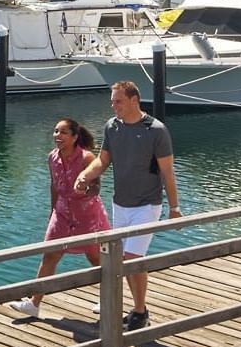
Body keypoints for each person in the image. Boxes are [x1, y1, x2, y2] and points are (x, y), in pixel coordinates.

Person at [73, 80, 181, 332]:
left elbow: (167, 172)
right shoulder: (112, 127)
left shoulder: (156, 130)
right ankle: (135, 309)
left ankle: (140, 311)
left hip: (147, 204)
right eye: (112, 101)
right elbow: (102, 160)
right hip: (120, 204)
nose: (114, 105)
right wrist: (84, 175)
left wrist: (174, 208)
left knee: (133, 259)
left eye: (118, 101)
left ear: (134, 100)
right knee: (121, 259)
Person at [9, 118, 111, 319]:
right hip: (62, 213)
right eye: (56, 131)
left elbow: (97, 187)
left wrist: (85, 188)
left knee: (95, 258)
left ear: (74, 137)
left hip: (87, 216)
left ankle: (108, 297)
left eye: (63, 132)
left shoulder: (87, 157)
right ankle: (33, 304)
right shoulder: (52, 157)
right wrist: (52, 211)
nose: (58, 136)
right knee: (50, 255)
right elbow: (54, 186)